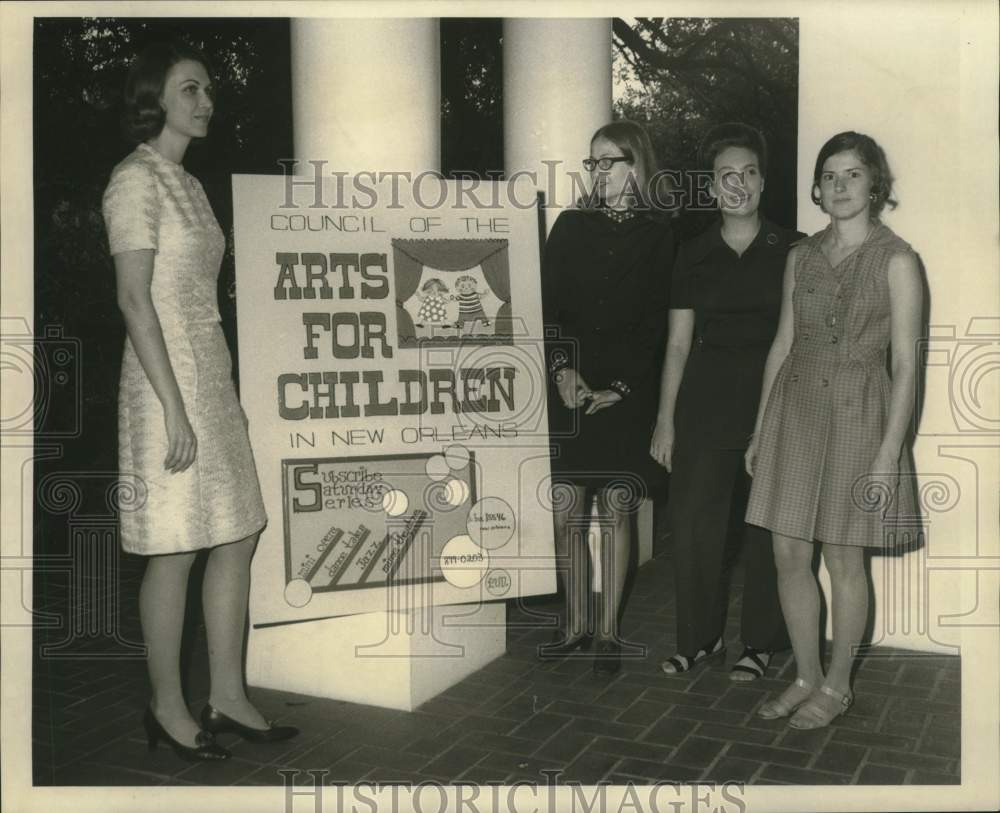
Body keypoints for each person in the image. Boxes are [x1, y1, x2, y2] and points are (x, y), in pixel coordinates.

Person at [102, 41, 298, 762]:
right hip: (162, 385)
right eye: (191, 89)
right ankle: (166, 704)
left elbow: (202, 298)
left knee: (237, 530)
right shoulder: (134, 181)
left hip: (208, 374)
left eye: (209, 88)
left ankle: (227, 692)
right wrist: (177, 408)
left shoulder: (187, 180)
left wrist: (221, 395)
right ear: (156, 99)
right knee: (176, 545)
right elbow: (133, 298)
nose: (207, 99)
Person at [745, 131, 922, 728]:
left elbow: (904, 368)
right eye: (829, 176)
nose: (840, 185)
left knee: (846, 557)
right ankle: (805, 675)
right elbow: (782, 344)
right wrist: (758, 430)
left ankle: (838, 685)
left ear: (875, 184)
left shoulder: (898, 260)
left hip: (859, 418)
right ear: (817, 190)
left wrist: (887, 455)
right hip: (794, 416)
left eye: (852, 174)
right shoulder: (800, 256)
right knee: (788, 552)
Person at [650, 123, 797, 681]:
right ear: (711, 188)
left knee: (764, 529)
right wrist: (665, 420)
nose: (737, 185)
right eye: (725, 176)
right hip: (704, 404)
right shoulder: (692, 253)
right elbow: (679, 342)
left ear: (764, 183)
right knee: (692, 525)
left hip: (774, 400)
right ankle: (699, 639)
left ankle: (760, 642)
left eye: (748, 173)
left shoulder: (794, 249)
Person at [540, 120, 676, 676]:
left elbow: (660, 323)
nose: (600, 172)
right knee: (568, 509)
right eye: (593, 162)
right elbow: (546, 307)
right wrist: (563, 370)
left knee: (618, 506)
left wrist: (620, 387)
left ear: (637, 164)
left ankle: (608, 633)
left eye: (610, 160)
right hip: (571, 383)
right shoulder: (571, 226)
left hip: (629, 389)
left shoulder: (661, 232)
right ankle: (573, 625)